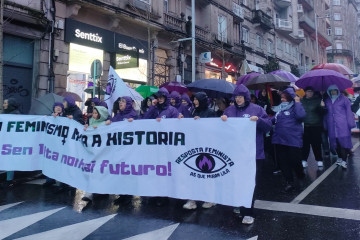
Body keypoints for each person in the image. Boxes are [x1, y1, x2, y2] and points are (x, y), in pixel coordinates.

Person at [221, 84, 272, 225]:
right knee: (236, 181)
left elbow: (268, 126)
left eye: (241, 97)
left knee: (250, 183)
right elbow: (222, 131)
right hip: (235, 154)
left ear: (246, 97)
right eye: (236, 97)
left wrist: (259, 120)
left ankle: (248, 212)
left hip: (254, 154)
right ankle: (239, 204)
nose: (238, 99)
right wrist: (222, 120)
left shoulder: (257, 110)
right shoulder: (229, 110)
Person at [183, 92, 216, 210]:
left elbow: (214, 129)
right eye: (194, 100)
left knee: (207, 173)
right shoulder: (193, 111)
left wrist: (201, 122)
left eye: (197, 100)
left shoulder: (211, 112)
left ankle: (210, 198)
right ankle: (192, 200)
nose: (195, 102)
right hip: (193, 146)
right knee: (193, 173)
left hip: (206, 146)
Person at [272, 87, 306, 192]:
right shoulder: (279, 109)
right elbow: (272, 121)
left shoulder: (295, 107)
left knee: (295, 161)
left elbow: (301, 116)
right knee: (283, 162)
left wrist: (297, 102)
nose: (282, 99)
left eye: (284, 98)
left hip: (293, 140)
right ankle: (289, 181)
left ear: (290, 98)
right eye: (281, 97)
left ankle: (300, 175)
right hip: (279, 140)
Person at [323, 85, 355, 169]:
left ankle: (344, 161)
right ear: (329, 91)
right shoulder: (327, 101)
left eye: (335, 90)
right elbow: (325, 114)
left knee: (343, 143)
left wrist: (350, 123)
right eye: (331, 90)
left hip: (342, 124)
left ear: (338, 90)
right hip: (331, 125)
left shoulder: (344, 99)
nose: (333, 92)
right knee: (335, 143)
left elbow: (349, 112)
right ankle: (340, 158)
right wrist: (325, 124)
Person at [301, 87, 325, 169]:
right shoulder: (301, 101)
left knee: (316, 144)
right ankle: (304, 159)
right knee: (305, 144)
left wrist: (322, 107)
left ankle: (319, 160)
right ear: (305, 92)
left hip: (316, 125)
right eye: (308, 91)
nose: (310, 93)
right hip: (305, 126)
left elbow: (323, 113)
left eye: (311, 91)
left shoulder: (318, 100)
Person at [43, 102, 65, 187]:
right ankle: (49, 180)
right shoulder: (49, 117)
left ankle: (61, 181)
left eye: (60, 107)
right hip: (51, 143)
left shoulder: (65, 117)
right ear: (53, 108)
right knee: (49, 161)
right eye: (56, 107)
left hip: (61, 144)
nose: (58, 108)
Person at [1, 98, 21, 188]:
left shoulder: (15, 115)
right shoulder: (6, 114)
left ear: (10, 105)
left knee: (9, 160)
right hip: (6, 140)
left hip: (11, 141)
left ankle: (9, 180)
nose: (3, 105)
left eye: (5, 103)